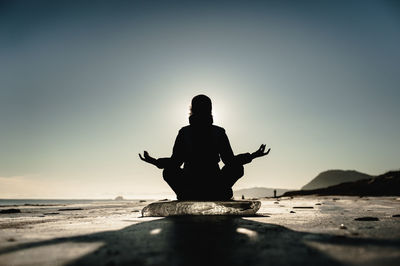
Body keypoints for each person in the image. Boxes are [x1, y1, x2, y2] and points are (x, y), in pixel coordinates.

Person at [139, 94, 270, 200]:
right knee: (169, 171)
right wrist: (252, 155)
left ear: (191, 110)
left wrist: (155, 161)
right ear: (210, 110)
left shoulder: (191, 132)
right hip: (206, 184)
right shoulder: (211, 132)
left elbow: (175, 162)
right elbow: (229, 161)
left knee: (169, 171)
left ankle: (192, 194)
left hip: (205, 184)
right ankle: (212, 193)